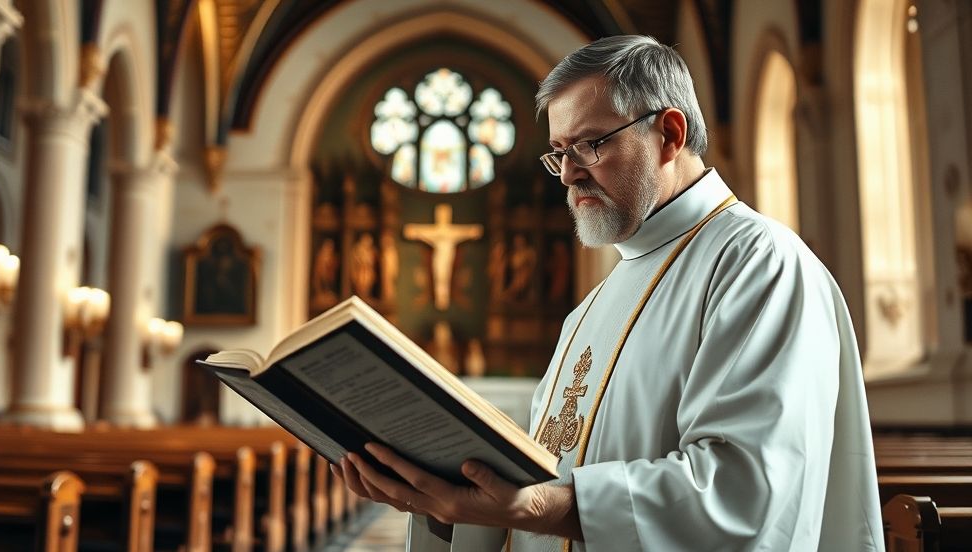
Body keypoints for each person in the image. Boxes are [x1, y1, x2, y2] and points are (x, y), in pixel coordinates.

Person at [333, 35, 884, 551]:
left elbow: (747, 492)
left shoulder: (757, 263)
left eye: (590, 145)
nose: (569, 174)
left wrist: (545, 508)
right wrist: (439, 500)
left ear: (669, 134)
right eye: (558, 153)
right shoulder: (590, 308)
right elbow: (535, 486)